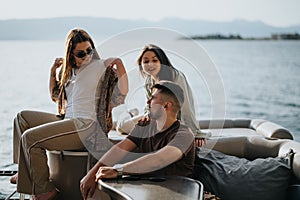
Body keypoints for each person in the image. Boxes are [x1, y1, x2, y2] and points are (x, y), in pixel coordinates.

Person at [11, 28, 128, 200]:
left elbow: (122, 93)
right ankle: (23, 170)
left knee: (30, 139)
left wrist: (119, 63)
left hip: (87, 126)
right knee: (22, 118)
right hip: (69, 121)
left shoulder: (100, 66)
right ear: (71, 54)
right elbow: (55, 95)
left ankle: (44, 190)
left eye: (90, 50)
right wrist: (53, 73)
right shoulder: (70, 72)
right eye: (81, 54)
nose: (87, 56)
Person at [80, 80, 195, 200]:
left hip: (175, 193)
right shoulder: (144, 126)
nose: (148, 102)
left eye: (153, 99)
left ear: (166, 105)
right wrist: (92, 174)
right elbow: (120, 149)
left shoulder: (184, 135)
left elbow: (159, 159)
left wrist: (118, 170)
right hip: (148, 189)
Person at [116, 44, 208, 147]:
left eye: (154, 60)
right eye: (146, 61)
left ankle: (135, 113)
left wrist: (196, 133)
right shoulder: (149, 81)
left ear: (161, 62)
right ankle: (130, 113)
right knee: (122, 128)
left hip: (172, 122)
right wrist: (147, 115)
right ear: (141, 65)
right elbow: (149, 105)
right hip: (156, 120)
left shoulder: (176, 76)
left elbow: (187, 107)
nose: (150, 64)